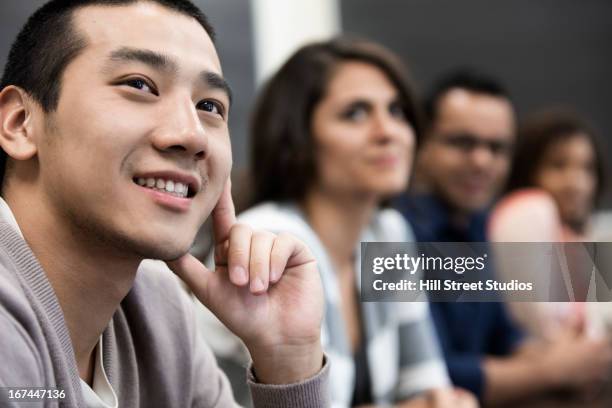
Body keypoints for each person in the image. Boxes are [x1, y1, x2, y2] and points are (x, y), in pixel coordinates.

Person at [0, 1, 330, 407]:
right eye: (139, 85)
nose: (191, 135)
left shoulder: (158, 302)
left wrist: (288, 357)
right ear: (19, 122)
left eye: (209, 107)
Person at [198, 38, 478, 408]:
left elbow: (427, 385)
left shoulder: (388, 232)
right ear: (298, 137)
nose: (388, 132)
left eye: (396, 111)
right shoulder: (272, 241)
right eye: (356, 114)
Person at [395, 69, 612, 405]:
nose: (482, 160)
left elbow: (505, 334)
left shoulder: (479, 224)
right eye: (462, 143)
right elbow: (426, 373)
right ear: (421, 142)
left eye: (497, 148)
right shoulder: (393, 230)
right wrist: (552, 371)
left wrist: (566, 358)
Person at [489, 109, 612, 339]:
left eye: (587, 168)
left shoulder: (586, 237)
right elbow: (545, 334)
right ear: (529, 168)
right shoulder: (531, 209)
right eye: (558, 166)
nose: (576, 183)